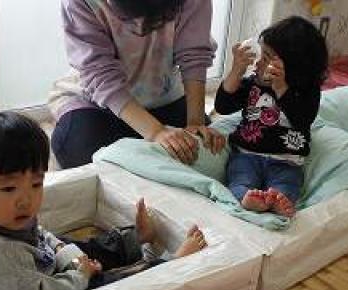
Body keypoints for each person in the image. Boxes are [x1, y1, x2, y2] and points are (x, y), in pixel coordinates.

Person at [0, 112, 207, 290]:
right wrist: (80, 275)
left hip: (34, 265)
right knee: (109, 285)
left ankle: (135, 239)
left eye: (36, 184)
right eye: (8, 188)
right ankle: (170, 264)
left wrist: (68, 254)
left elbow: (39, 235)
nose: (26, 200)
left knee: (85, 247)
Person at [48, 0, 226, 169]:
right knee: (77, 148)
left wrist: (196, 122)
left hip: (163, 94)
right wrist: (156, 132)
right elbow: (99, 73)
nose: (140, 30)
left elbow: (194, 54)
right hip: (96, 102)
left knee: (205, 150)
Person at [214, 16, 328, 217]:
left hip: (287, 161)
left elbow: (302, 120)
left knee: (287, 185)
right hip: (246, 154)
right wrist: (236, 71)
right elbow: (222, 106)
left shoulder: (306, 91)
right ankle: (246, 197)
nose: (258, 62)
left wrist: (281, 88)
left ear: (293, 65)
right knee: (240, 180)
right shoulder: (253, 84)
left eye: (266, 57)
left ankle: (277, 201)